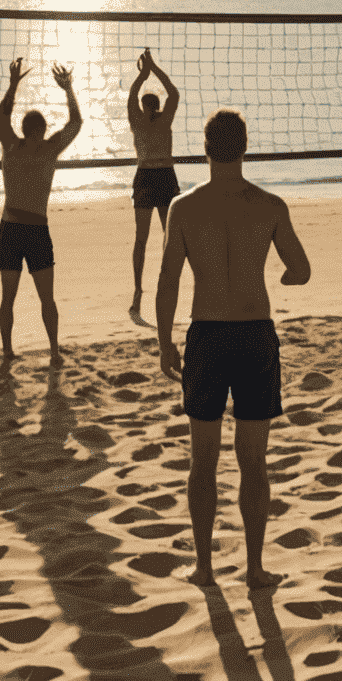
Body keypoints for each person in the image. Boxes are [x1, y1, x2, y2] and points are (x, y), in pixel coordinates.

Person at [156, 108, 311, 590]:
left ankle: (204, 567)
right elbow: (301, 268)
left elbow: (167, 282)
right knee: (253, 459)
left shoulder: (184, 207)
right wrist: (281, 275)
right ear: (245, 148)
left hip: (206, 334)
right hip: (253, 334)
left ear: (204, 150)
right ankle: (254, 566)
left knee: (203, 458)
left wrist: (164, 341)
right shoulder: (269, 205)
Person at [0, 58, 82, 362]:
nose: (42, 135)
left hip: (24, 228)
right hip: (21, 228)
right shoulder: (27, 147)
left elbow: (75, 125)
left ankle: (54, 351)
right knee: (10, 296)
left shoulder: (31, 148)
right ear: (39, 130)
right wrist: (67, 90)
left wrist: (14, 84)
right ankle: (10, 350)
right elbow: (3, 117)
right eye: (41, 131)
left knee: (43, 297)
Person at [128, 48, 181, 319]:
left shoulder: (160, 119)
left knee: (169, 235)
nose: (151, 108)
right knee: (143, 238)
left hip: (159, 175)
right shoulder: (142, 120)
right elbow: (135, 96)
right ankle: (138, 289)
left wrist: (150, 71)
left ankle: (164, 282)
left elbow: (172, 94)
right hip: (150, 176)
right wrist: (148, 72)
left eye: (150, 105)